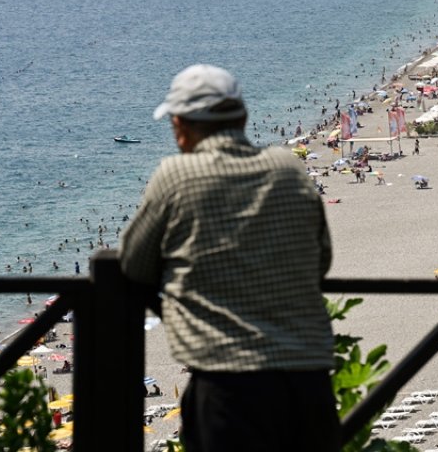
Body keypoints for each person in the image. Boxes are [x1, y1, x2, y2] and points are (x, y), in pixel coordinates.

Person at [120, 64, 338, 452]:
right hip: (308, 376)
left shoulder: (175, 176)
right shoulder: (289, 169)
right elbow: (321, 259)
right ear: (243, 117)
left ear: (180, 125)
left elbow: (133, 265)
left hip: (227, 381)